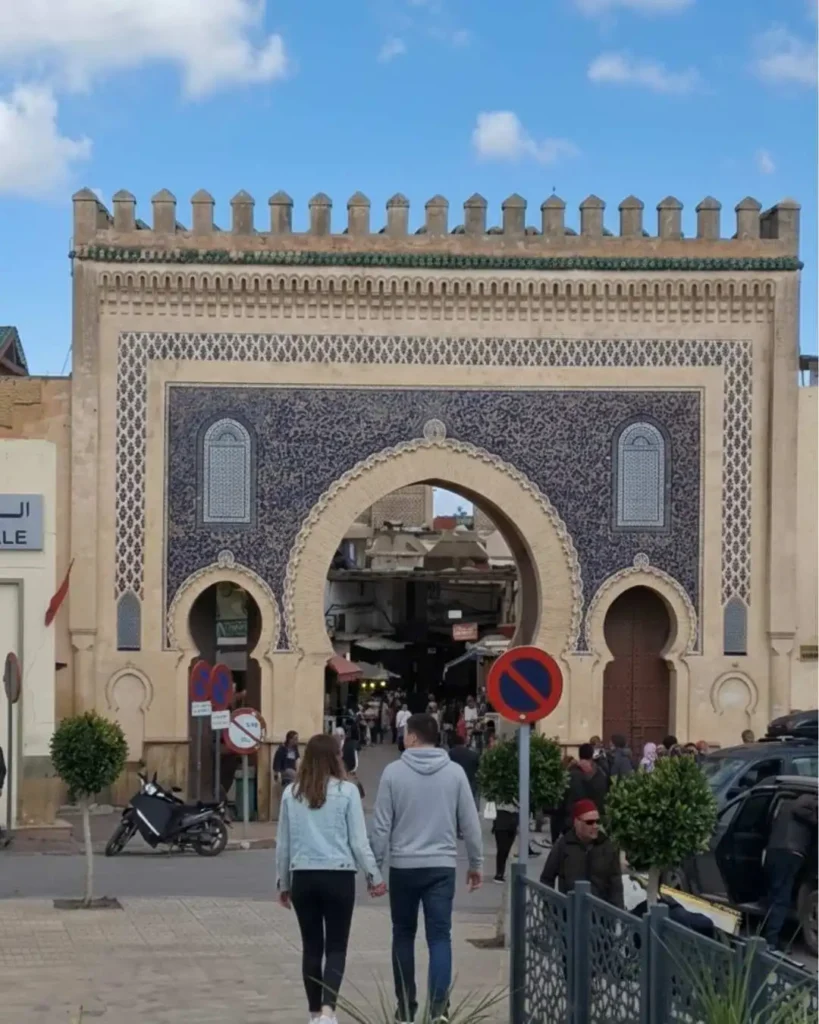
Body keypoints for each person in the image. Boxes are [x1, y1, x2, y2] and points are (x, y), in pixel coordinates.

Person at [370, 713, 483, 1023]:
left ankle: (405, 1007)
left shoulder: (393, 773)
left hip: (404, 867)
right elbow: (470, 823)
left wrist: (374, 870)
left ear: (415, 738)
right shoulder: (455, 774)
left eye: (406, 733)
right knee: (440, 937)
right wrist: (476, 863)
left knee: (403, 935)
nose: (404, 737)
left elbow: (381, 826)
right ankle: (438, 1009)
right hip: (441, 867)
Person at [276, 733, 386, 1023]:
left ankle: (314, 1014)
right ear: (335, 757)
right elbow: (359, 842)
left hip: (303, 878)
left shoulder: (291, 793)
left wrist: (283, 883)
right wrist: (374, 876)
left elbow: (283, 844)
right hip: (339, 877)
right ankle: (328, 1011)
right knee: (336, 947)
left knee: (311, 946)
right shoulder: (347, 792)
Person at [540, 799, 624, 908]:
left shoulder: (607, 846)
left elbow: (615, 883)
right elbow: (547, 878)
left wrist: (618, 914)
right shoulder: (563, 845)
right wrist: (551, 909)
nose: (595, 826)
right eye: (589, 822)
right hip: (570, 915)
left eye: (597, 821)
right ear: (577, 823)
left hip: (601, 917)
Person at [763, 792, 818, 948]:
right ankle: (771, 943)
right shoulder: (812, 806)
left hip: (773, 851)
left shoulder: (785, 805)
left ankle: (769, 935)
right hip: (792, 854)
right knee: (781, 898)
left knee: (774, 894)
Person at [562, 743, 609, 825]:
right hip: (594, 818)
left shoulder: (570, 774)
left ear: (579, 754)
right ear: (592, 755)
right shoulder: (600, 774)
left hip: (574, 819)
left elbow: (564, 796)